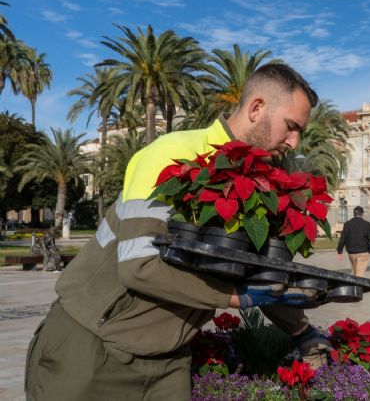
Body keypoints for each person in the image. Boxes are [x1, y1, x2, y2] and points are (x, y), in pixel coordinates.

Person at [25, 64, 330, 401]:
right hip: (91, 349)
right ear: (257, 108)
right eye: (291, 127)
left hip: (168, 359)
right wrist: (236, 298)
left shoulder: (259, 184)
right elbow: (138, 266)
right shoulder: (173, 155)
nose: (294, 141)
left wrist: (302, 331)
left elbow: (258, 273)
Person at [337, 206, 370, 277]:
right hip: (363, 252)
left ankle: (356, 287)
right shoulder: (367, 224)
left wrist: (340, 251)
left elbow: (342, 238)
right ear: (362, 214)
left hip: (351, 253)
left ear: (354, 214)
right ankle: (358, 287)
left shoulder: (347, 224)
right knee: (359, 275)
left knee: (355, 274)